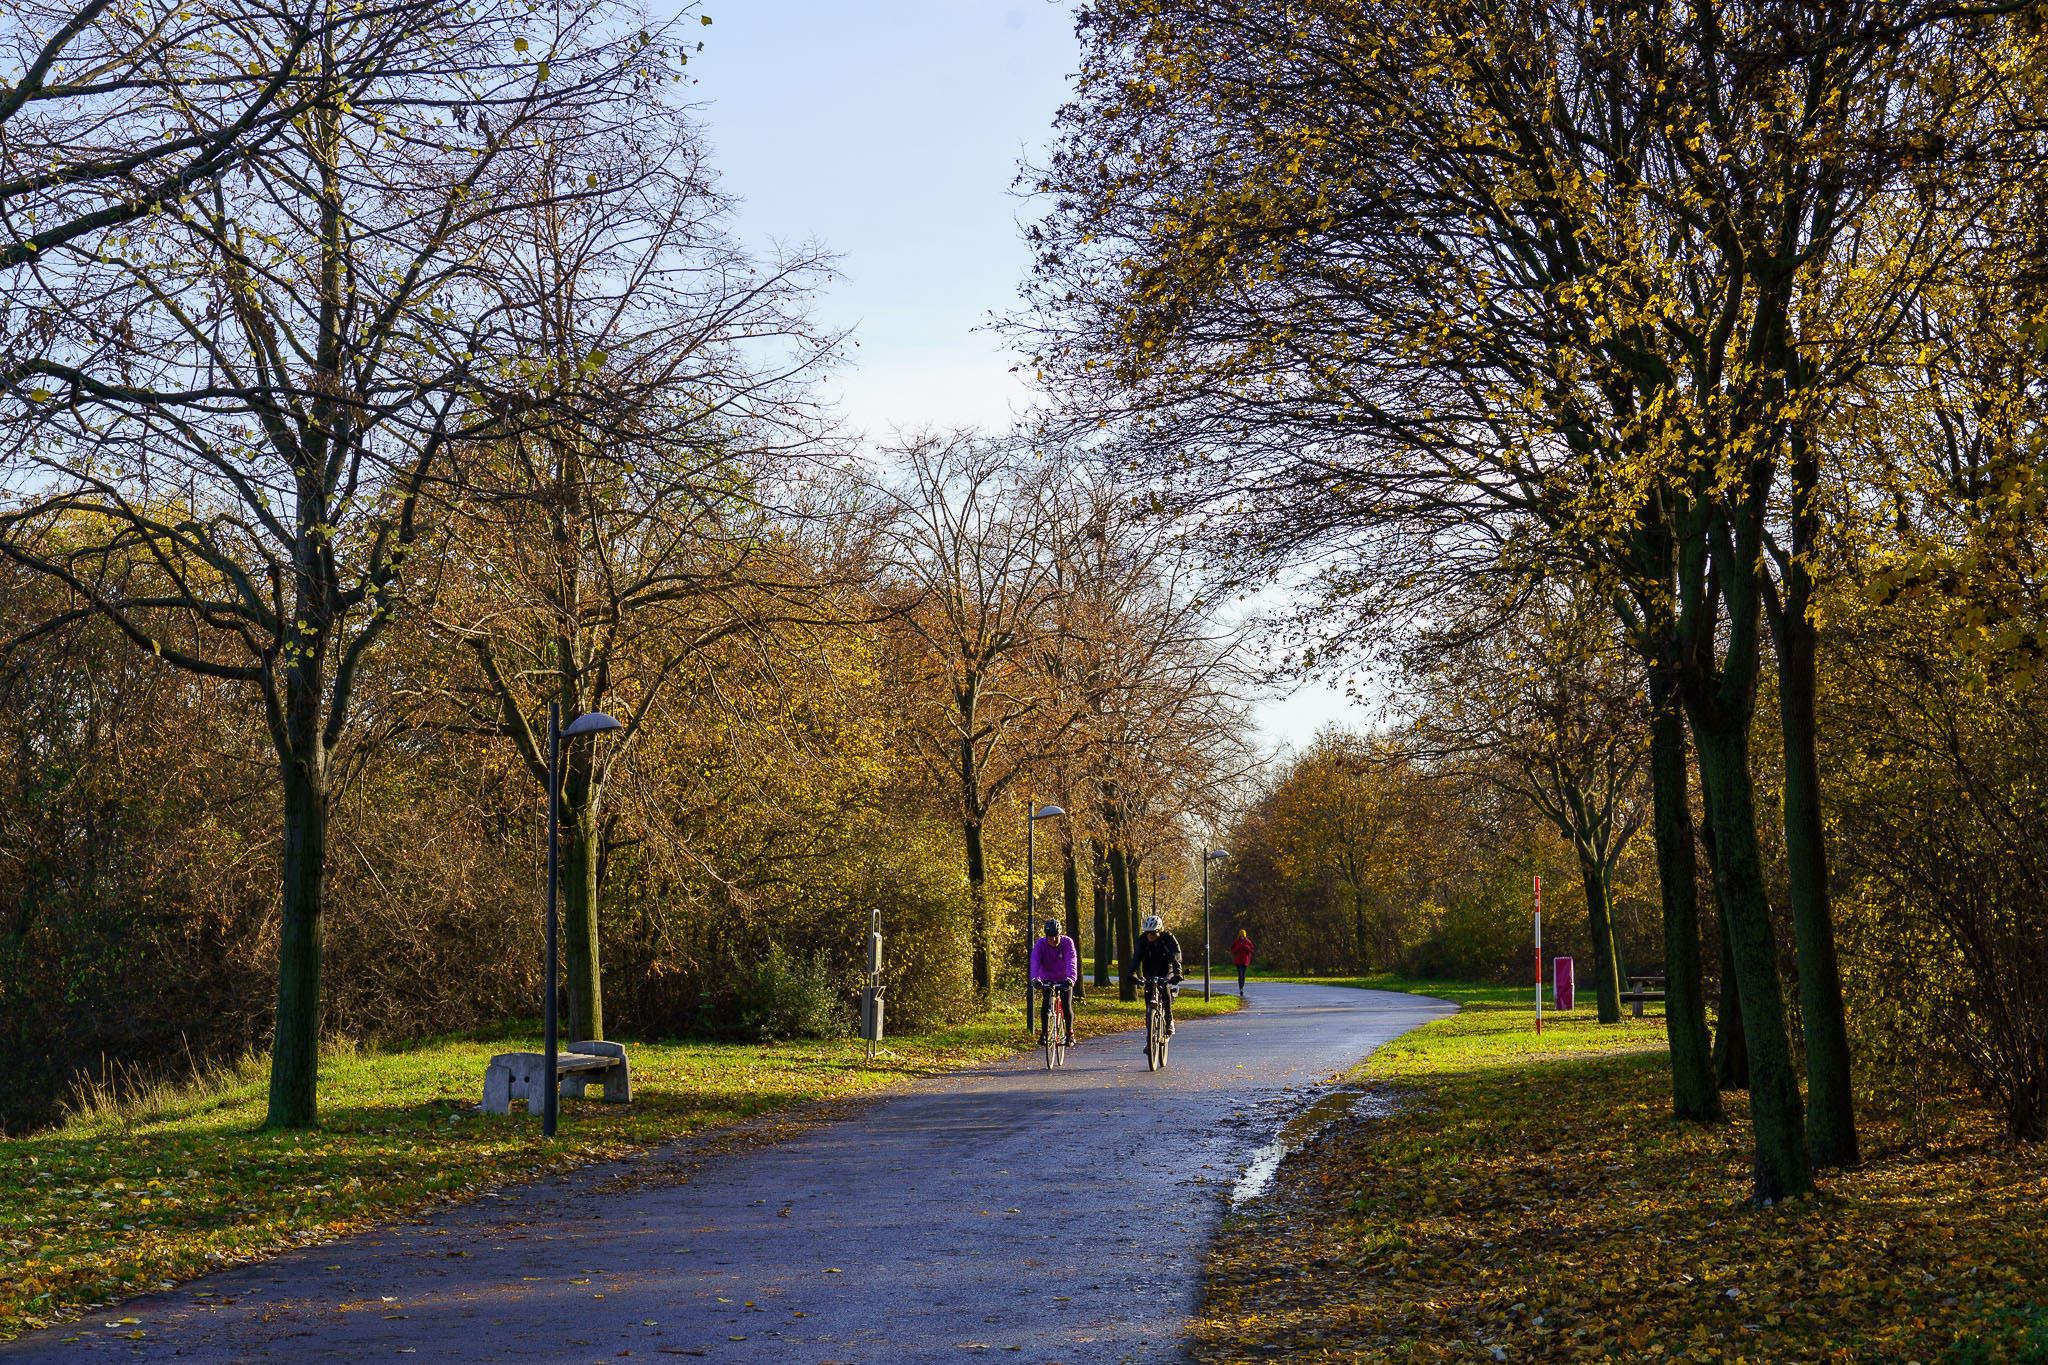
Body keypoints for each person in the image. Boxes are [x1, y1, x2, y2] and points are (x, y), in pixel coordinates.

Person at [1124, 914, 1184, 1038]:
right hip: (1150, 967)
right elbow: (1136, 958)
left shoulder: (1168, 938)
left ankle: (1169, 1020)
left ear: (1159, 931)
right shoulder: (1143, 940)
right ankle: (1149, 1034)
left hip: (1166, 967)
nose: (1149, 936)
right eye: (1147, 933)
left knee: (1164, 987)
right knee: (1148, 990)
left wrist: (1178, 972)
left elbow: (1175, 955)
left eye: (1153, 933)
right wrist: (1132, 972)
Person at [1030, 917, 1078, 1046]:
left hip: (1064, 979)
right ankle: (1044, 1033)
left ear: (1060, 934)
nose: (1053, 940)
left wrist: (1071, 979)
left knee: (1066, 1005)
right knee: (1045, 1005)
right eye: (1050, 937)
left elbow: (1071, 960)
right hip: (1047, 978)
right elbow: (1035, 962)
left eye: (1056, 936)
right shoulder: (1041, 944)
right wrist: (1035, 979)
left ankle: (1069, 1033)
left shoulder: (1067, 942)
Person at [1230, 929, 1256, 995]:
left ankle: (1242, 987)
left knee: (1243, 975)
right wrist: (1237, 948)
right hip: (1238, 961)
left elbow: (1252, 949)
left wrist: (1246, 947)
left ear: (1245, 936)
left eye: (1243, 936)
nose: (1242, 937)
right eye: (1241, 936)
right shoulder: (1236, 941)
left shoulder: (1248, 941)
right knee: (1240, 974)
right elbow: (1232, 949)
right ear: (1239, 936)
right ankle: (1240, 988)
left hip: (1245, 961)